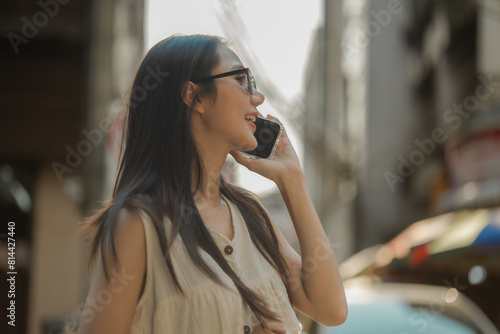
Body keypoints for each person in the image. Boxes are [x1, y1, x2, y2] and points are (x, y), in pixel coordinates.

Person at [77, 34, 347, 334]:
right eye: (242, 80)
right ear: (195, 96)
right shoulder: (138, 225)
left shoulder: (251, 215)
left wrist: (292, 180)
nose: (257, 98)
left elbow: (330, 309)